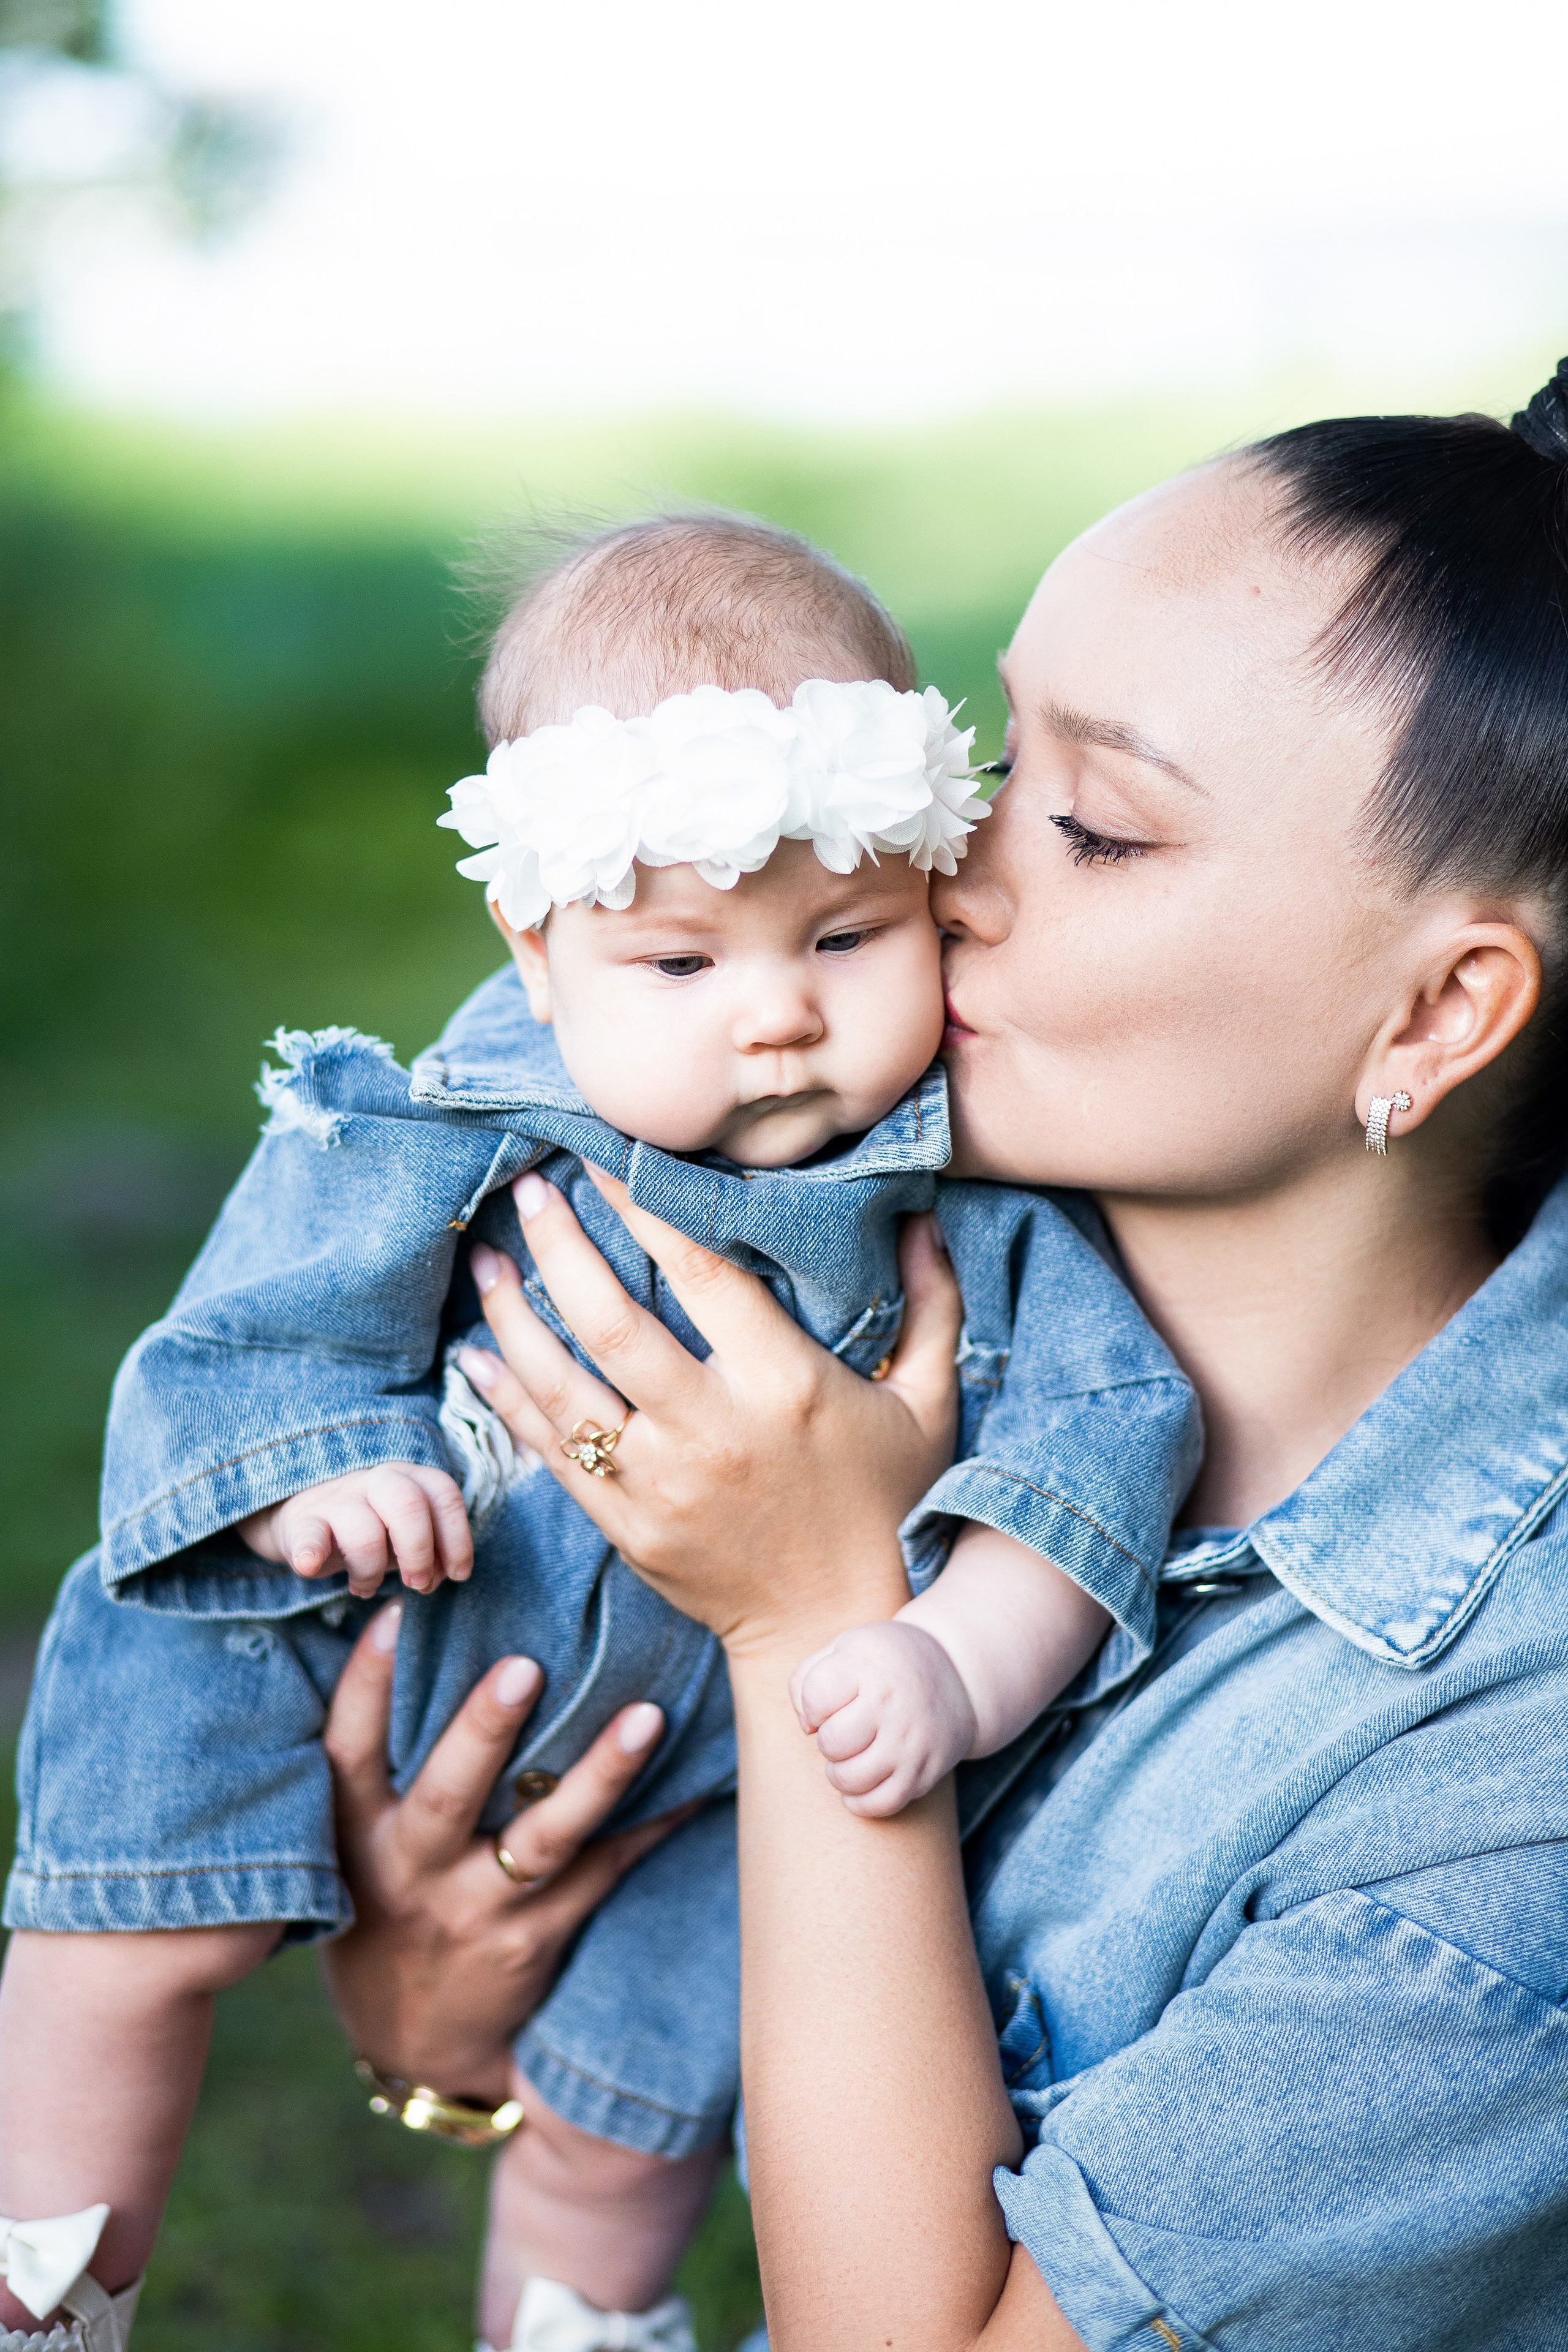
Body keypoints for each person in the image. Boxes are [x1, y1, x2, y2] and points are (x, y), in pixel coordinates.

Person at [320, 367, 1568, 2351]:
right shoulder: (833, 1261)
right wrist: (452, 2028)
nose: (948, 867)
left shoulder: (1521, 1785)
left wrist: (811, 1622)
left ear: (1436, 1018)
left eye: (1092, 826)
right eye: (981, 763)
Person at [0, 516, 1200, 2351]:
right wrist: (330, 1462)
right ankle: (49, 2281)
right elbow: (258, 1327)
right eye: (680, 966)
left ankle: (574, 2326)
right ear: (541, 947)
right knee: (120, 1933)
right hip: (380, 1614)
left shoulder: (987, 1208)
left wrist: (955, 1661)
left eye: (849, 933)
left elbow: (1095, 1443)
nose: (783, 1013)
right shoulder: (450, 1118)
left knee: (615, 2132)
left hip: (713, 1759)